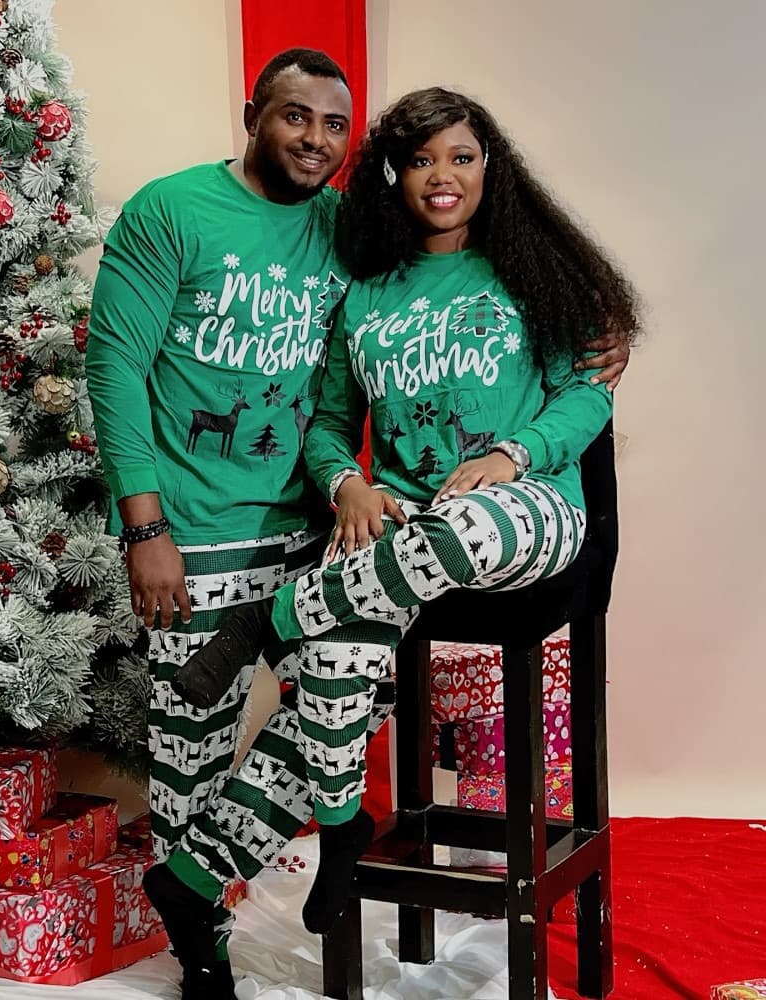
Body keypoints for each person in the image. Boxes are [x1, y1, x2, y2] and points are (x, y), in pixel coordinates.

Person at [171, 86, 641, 937]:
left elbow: (586, 395)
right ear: (394, 175)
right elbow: (326, 424)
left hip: (528, 508)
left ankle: (274, 616)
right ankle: (262, 854)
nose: (442, 176)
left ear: (491, 168)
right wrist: (346, 485)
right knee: (334, 659)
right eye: (421, 160)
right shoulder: (365, 293)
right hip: (404, 528)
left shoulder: (532, 273)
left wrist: (512, 456)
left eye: (462, 157)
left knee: (455, 532)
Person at [86, 48, 364, 1000]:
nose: (316, 140)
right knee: (191, 744)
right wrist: (144, 529)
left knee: (347, 705)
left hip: (306, 528)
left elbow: (455, 254)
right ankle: (200, 952)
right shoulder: (171, 209)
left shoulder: (343, 228)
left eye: (334, 125)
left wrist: (588, 330)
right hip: (192, 532)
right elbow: (115, 367)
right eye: (296, 116)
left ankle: (211, 872)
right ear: (253, 115)